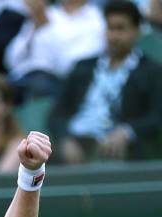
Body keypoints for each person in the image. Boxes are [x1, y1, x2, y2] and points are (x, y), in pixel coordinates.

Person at [49, 0, 162, 164]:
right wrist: (65, 139)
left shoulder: (151, 71)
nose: (114, 36)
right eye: (110, 28)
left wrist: (127, 132)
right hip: (76, 140)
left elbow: (156, 117)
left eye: (121, 28)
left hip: (116, 145)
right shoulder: (82, 68)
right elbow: (57, 114)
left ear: (137, 31)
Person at [4, 0, 105, 100]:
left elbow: (69, 67)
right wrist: (35, 28)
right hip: (22, 79)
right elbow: (11, 61)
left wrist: (46, 27)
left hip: (60, 85)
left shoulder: (97, 20)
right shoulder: (47, 13)